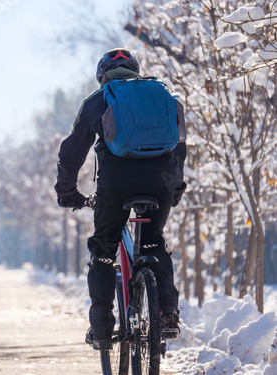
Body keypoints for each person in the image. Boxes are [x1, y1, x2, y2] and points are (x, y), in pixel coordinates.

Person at [54, 48, 187, 350]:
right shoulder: (161, 97)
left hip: (115, 186)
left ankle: (101, 330)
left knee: (103, 249)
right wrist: (175, 186)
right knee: (154, 242)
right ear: (136, 72)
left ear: (102, 77)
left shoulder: (99, 100)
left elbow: (72, 152)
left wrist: (68, 192)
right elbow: (179, 146)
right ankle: (167, 313)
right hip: (160, 185)